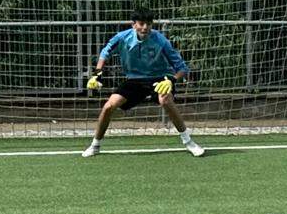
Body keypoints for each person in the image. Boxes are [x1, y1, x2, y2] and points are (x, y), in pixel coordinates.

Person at [83, 10, 204, 158]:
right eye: (141, 24)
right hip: (134, 80)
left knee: (165, 100)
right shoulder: (122, 38)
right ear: (134, 25)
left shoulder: (160, 40)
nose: (145, 27)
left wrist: (171, 80)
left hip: (159, 79)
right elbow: (105, 53)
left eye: (148, 24)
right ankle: (95, 145)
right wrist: (97, 75)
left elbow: (182, 68)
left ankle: (189, 142)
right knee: (109, 106)